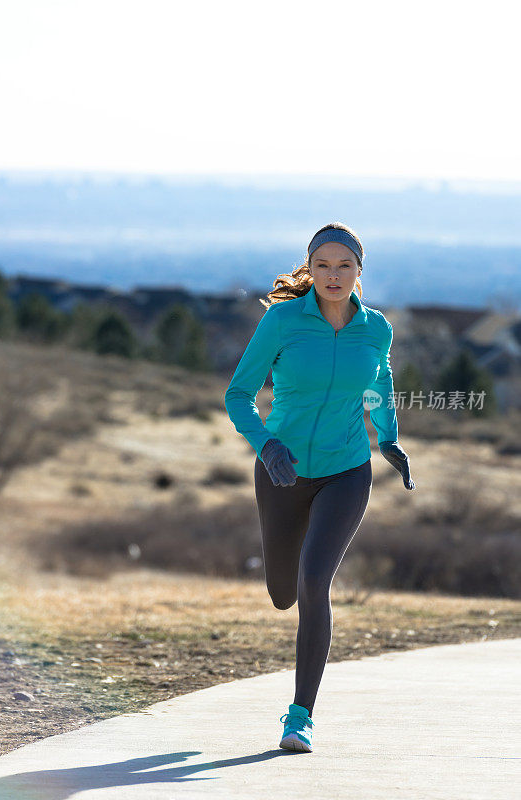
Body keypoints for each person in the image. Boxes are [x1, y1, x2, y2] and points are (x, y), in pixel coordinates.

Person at [224, 222, 416, 753]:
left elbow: (381, 386)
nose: (333, 276)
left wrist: (391, 442)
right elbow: (238, 395)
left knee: (314, 580)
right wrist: (265, 444)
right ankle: (282, 583)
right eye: (323, 265)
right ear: (310, 269)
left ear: (359, 272)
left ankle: (300, 715)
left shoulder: (376, 329)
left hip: (346, 470)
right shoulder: (283, 321)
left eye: (344, 266)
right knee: (283, 591)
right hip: (281, 468)